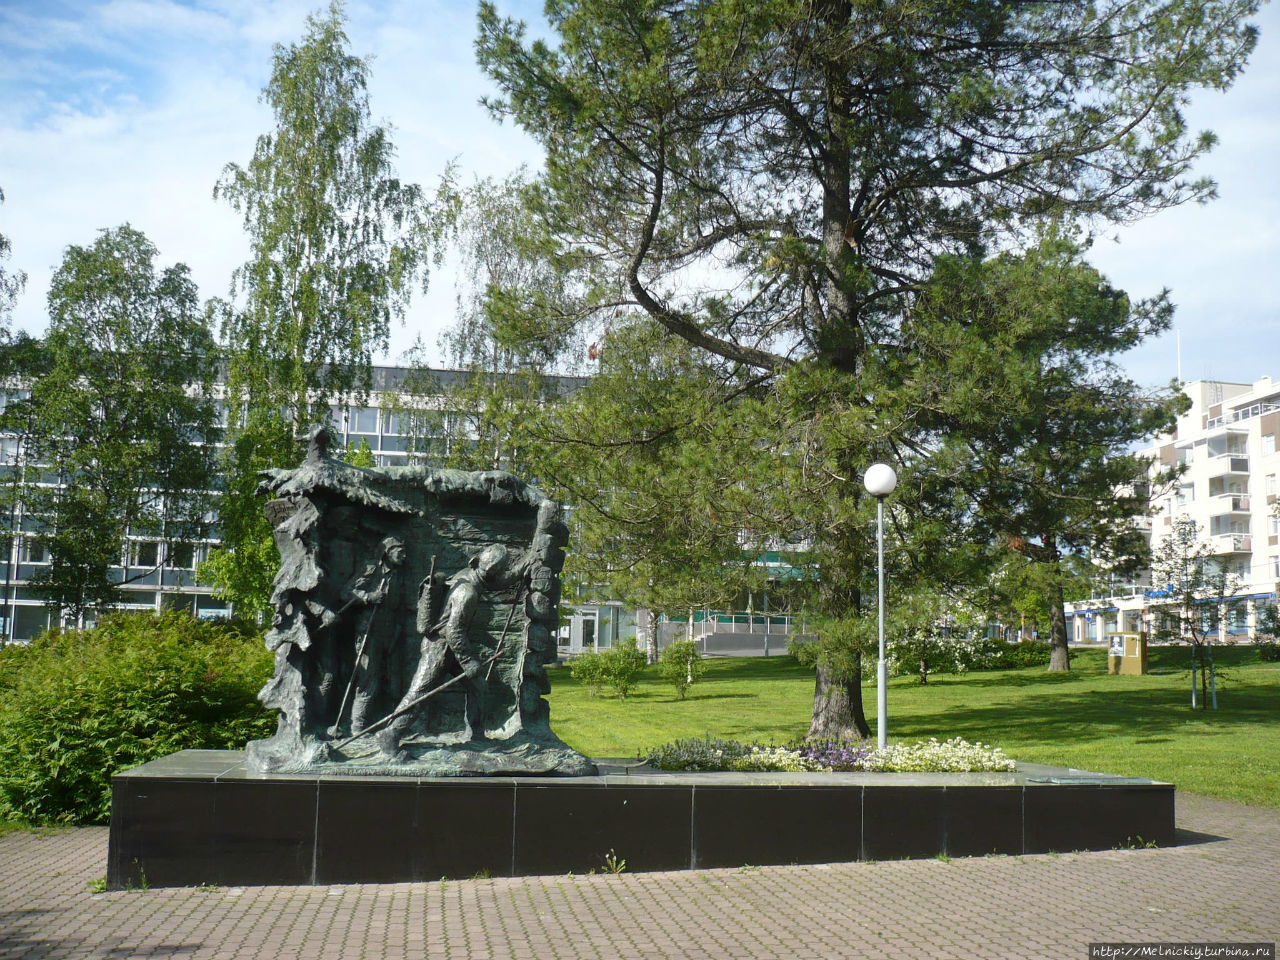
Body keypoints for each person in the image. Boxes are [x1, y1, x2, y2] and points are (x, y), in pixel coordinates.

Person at [378, 544, 520, 755]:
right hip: (440, 648)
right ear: (492, 572)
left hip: (451, 647)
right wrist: (469, 661)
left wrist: (521, 573)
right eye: (502, 569)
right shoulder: (468, 593)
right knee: (420, 692)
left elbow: (496, 584)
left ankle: (476, 736)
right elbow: (454, 631)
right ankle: (390, 735)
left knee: (477, 685)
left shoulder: (467, 574)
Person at [342, 536, 407, 735]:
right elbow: (346, 592)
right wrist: (368, 597)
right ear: (388, 552)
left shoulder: (398, 576)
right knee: (368, 679)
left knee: (393, 681)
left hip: (390, 633)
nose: (404, 556)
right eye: (400, 551)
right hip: (369, 633)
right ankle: (357, 728)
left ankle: (387, 728)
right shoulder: (371, 570)